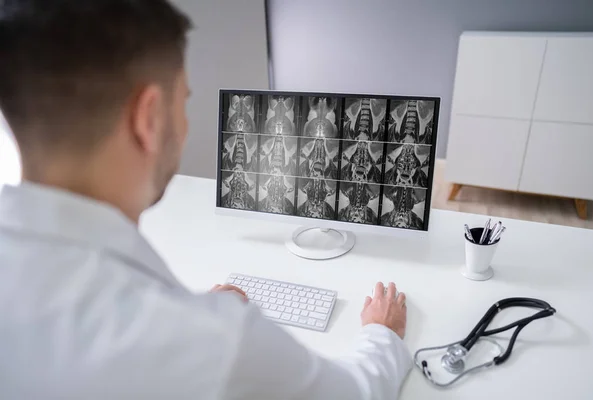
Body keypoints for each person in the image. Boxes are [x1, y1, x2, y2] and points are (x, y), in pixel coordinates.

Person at [0, 1, 411, 399]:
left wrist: (189, 315)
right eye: (185, 100)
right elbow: (357, 393)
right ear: (149, 118)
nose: (186, 122)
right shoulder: (215, 344)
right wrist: (382, 334)